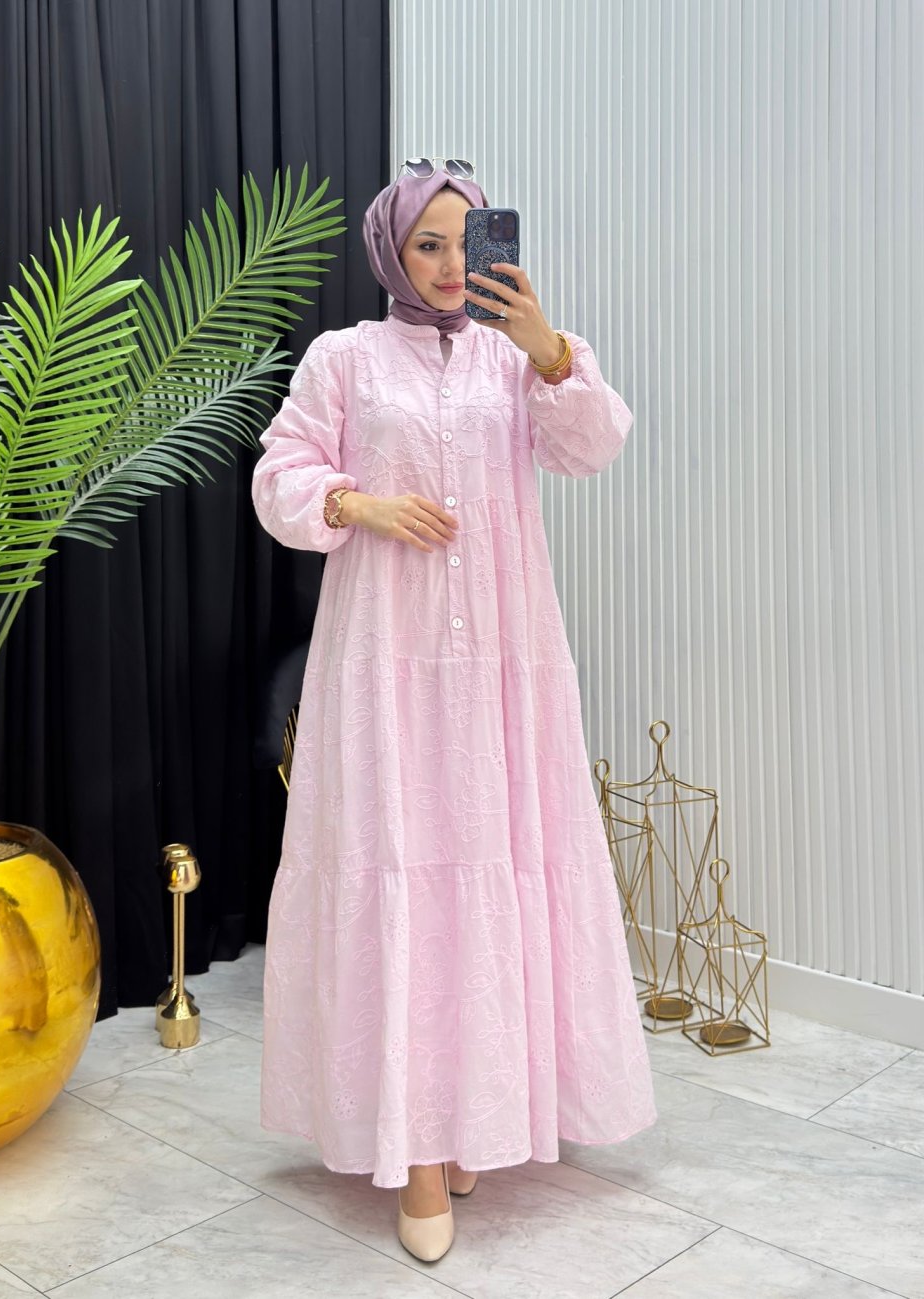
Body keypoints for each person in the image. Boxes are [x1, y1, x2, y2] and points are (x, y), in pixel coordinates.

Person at [252, 159, 656, 1264]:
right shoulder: (344, 358)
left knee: (495, 867)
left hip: (502, 669)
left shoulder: (517, 356)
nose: (442, 265)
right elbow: (279, 477)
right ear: (391, 251)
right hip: (383, 666)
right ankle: (419, 1148)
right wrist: (360, 503)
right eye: (424, 244)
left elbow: (592, 447)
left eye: (460, 243)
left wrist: (547, 347)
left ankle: (476, 1112)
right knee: (400, 872)